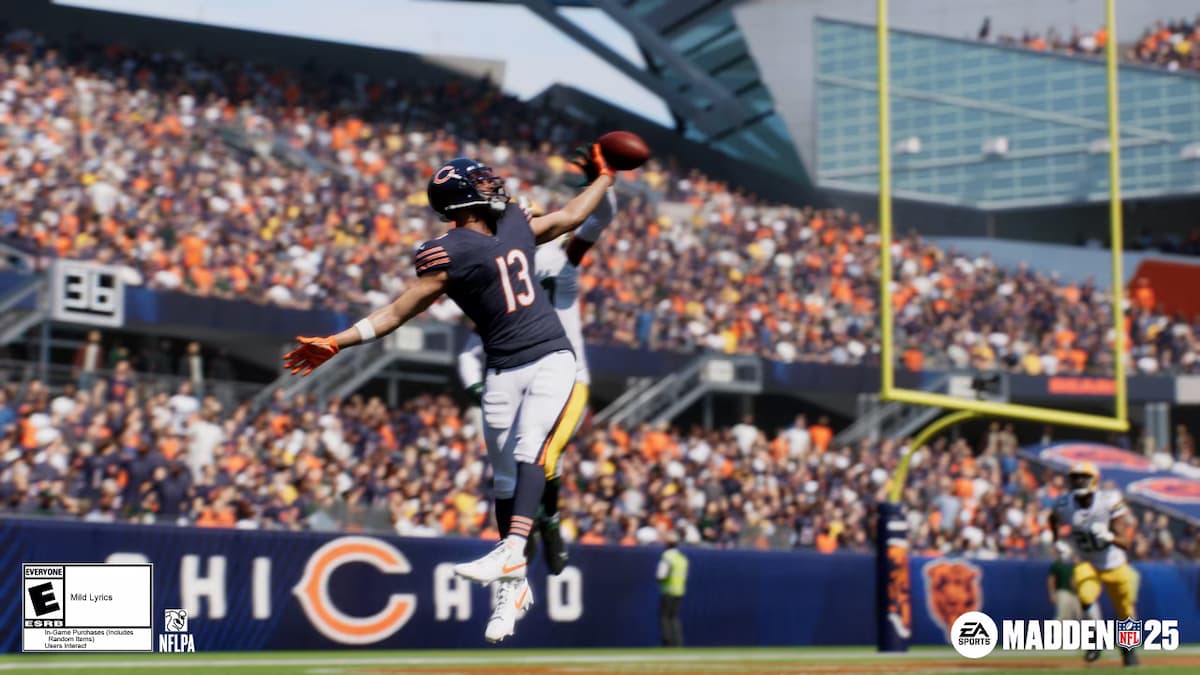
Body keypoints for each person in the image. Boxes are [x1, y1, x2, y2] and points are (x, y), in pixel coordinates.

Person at [285, 145, 619, 643]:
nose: (493, 184)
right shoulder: (447, 252)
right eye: (481, 180)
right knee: (504, 482)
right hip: (502, 367)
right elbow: (398, 311)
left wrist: (606, 178)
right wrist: (339, 340)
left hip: (552, 355)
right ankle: (515, 588)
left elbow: (572, 215)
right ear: (461, 198)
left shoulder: (513, 224)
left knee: (533, 448)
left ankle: (511, 551)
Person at [458, 183, 617, 576]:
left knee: (541, 456)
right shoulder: (502, 280)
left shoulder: (556, 264)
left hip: (565, 374)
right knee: (520, 465)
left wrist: (605, 178)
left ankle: (546, 525)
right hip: (521, 373)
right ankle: (534, 529)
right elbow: (469, 350)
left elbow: (595, 221)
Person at [1049, 462, 1139, 667]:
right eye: (1075, 477)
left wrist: (1109, 536)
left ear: (1094, 479)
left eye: (1083, 477)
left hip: (1114, 563)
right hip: (1087, 561)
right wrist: (1058, 541)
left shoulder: (1109, 501)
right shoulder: (1063, 504)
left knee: (1125, 610)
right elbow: (1052, 519)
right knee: (1086, 595)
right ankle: (1095, 640)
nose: (1079, 481)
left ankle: (1129, 652)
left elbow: (1125, 542)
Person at [657, 531, 688, 647]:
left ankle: (668, 642)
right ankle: (678, 642)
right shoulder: (682, 558)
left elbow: (661, 575)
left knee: (665, 617)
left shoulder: (667, 557)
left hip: (668, 590)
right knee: (674, 617)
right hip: (679, 591)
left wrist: (661, 581)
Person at [1048, 540, 1081, 621]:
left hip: (1075, 593)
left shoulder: (1074, 565)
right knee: (1062, 616)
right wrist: (1052, 593)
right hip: (1063, 592)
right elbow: (1051, 580)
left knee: (1076, 616)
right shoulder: (1057, 564)